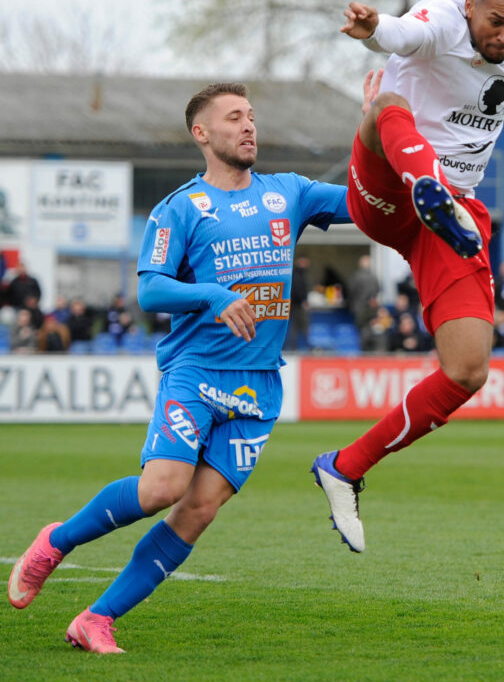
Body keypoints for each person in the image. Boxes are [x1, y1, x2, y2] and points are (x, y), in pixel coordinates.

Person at [7, 82, 351, 653]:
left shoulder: (290, 193)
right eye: (234, 117)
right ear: (202, 133)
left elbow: (364, 202)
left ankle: (96, 619)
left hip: (259, 385)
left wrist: (375, 131)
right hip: (196, 371)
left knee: (199, 510)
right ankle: (56, 542)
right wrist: (214, 295)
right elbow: (152, 289)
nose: (249, 127)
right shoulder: (181, 208)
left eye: (251, 117)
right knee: (161, 489)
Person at [310, 0, 504, 553]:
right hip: (388, 190)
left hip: (454, 219)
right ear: (470, 7)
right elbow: (402, 36)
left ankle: (345, 467)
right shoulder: (441, 18)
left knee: (468, 369)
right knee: (387, 102)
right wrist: (372, 28)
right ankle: (426, 183)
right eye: (496, 22)